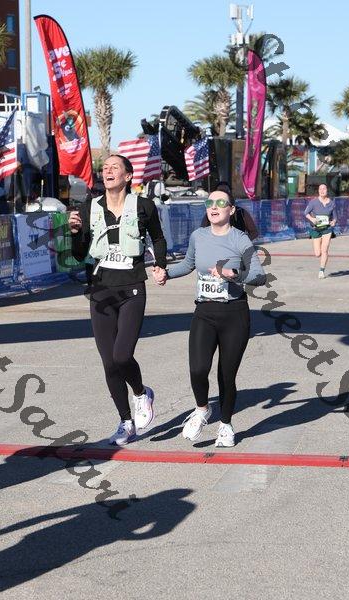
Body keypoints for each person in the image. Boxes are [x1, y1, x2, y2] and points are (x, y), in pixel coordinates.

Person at [152, 190, 266, 447]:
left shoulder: (240, 240)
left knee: (226, 375)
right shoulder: (198, 236)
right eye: (209, 202)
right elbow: (188, 264)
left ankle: (225, 425)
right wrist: (166, 274)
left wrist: (233, 273)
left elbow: (259, 276)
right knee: (197, 369)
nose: (213, 207)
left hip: (234, 314)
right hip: (204, 312)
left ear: (231, 210)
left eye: (220, 203)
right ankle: (202, 409)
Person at [68, 155, 167, 445]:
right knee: (109, 363)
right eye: (105, 168)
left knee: (122, 355)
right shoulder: (89, 207)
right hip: (100, 289)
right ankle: (125, 422)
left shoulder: (144, 206)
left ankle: (141, 393)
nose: (107, 171)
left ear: (128, 176)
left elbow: (158, 238)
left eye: (115, 167)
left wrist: (160, 265)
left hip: (132, 286)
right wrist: (74, 233)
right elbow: (79, 253)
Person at [304, 184, 337, 279]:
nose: (322, 191)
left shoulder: (332, 203)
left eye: (324, 189)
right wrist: (312, 219)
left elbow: (335, 217)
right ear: (318, 191)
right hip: (316, 229)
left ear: (327, 190)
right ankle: (320, 254)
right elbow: (305, 213)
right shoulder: (313, 202)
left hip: (327, 229)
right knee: (317, 253)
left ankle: (321, 271)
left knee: (324, 250)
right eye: (320, 189)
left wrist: (334, 222)